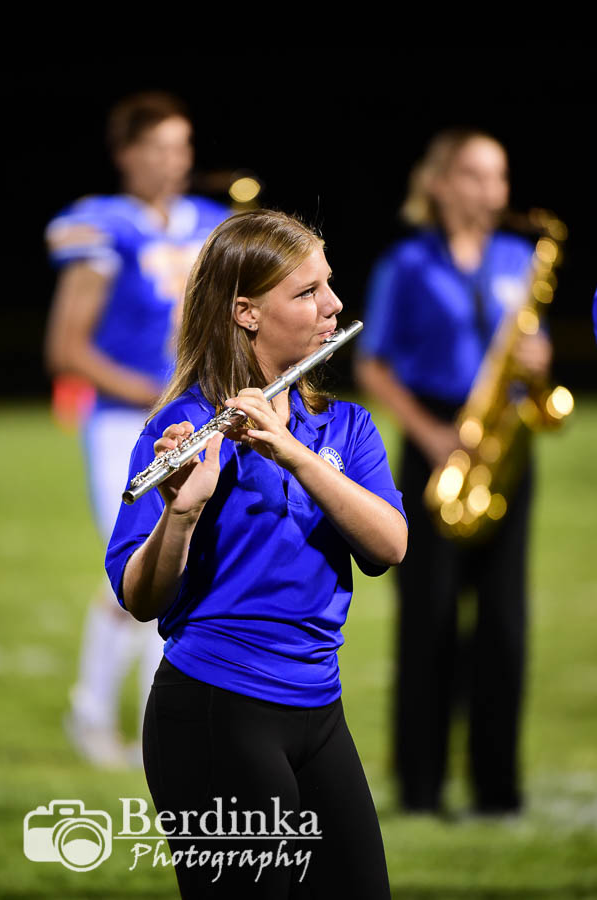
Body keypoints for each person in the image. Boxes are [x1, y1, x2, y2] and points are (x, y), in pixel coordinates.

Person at [105, 209, 408, 898]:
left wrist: (293, 453)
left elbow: (389, 545)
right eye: (307, 292)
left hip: (319, 710)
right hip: (216, 710)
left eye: (328, 284)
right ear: (246, 313)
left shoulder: (343, 427)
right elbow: (140, 598)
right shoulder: (181, 427)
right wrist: (181, 513)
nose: (333, 305)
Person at [355, 128, 552, 817]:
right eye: (475, 174)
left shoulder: (518, 257)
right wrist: (430, 433)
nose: (492, 189)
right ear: (439, 182)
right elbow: (372, 364)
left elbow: (528, 348)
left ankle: (498, 790)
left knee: (504, 620)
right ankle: (421, 787)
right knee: (429, 616)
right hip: (434, 439)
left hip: (502, 442)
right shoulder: (407, 263)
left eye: (499, 176)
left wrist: (536, 363)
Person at [44, 91, 229, 767]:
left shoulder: (209, 222)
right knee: (139, 564)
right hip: (127, 421)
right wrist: (157, 393)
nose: (171, 161)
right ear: (125, 154)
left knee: (190, 566)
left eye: (181, 146)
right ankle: (91, 712)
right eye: (156, 147)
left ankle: (164, 720)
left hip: (198, 418)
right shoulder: (103, 225)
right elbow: (67, 349)